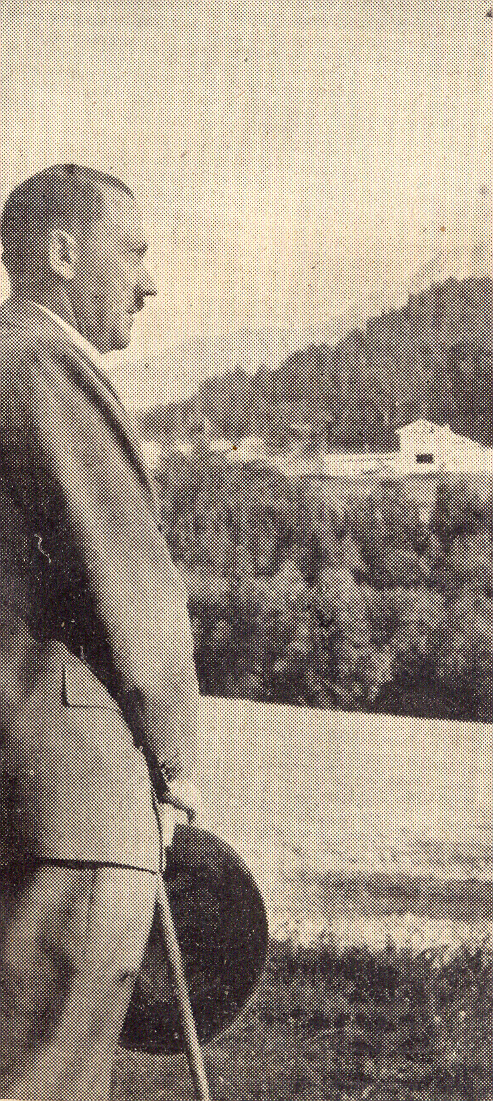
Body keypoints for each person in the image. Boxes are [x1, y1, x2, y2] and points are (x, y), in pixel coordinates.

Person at [0, 164, 200, 1100]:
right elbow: (131, 574)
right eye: (134, 253)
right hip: (75, 803)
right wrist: (175, 760)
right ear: (62, 252)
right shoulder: (43, 361)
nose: (148, 282)